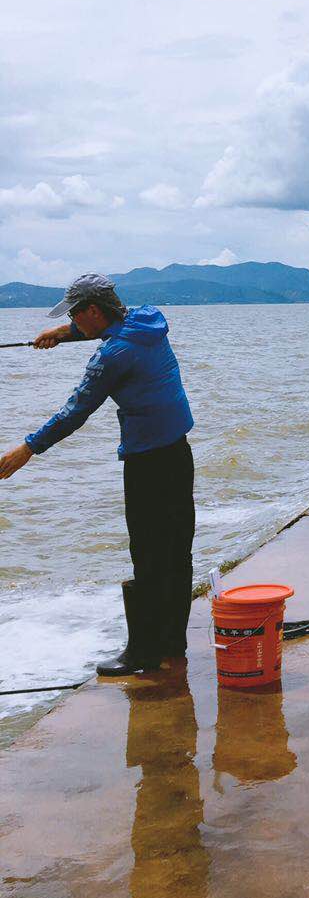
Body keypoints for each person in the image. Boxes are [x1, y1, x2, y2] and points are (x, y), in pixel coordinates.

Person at [0, 273, 196, 675]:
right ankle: (172, 645)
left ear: (93, 310)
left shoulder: (112, 356)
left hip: (147, 464)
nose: (75, 319)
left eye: (76, 313)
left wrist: (27, 448)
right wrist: (64, 333)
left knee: (147, 555)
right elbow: (108, 328)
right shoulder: (148, 320)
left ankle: (142, 654)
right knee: (177, 552)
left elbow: (75, 412)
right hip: (179, 453)